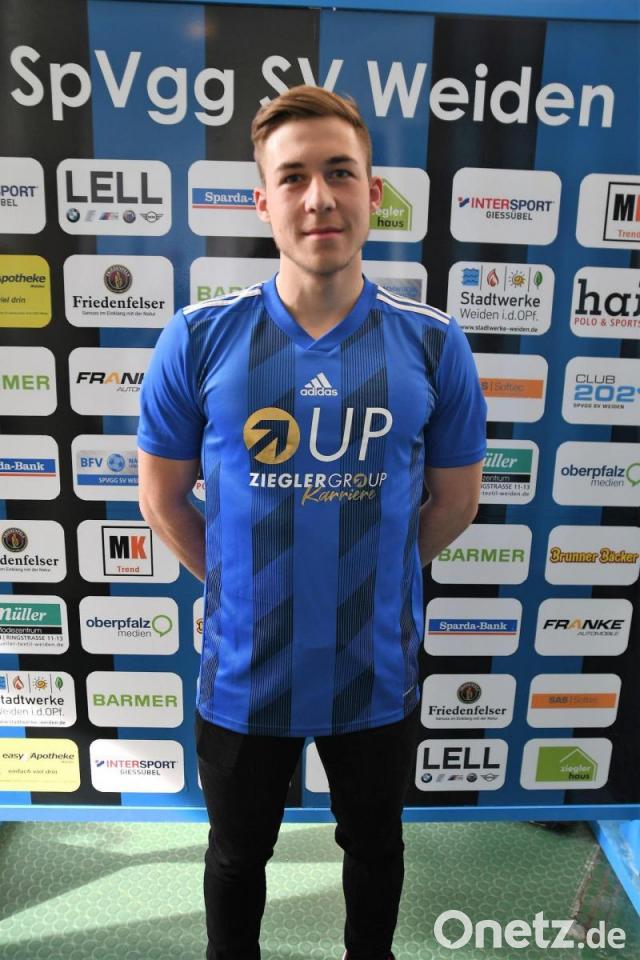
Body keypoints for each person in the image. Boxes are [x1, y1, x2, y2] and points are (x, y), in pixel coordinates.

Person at [137, 85, 487, 960]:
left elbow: (455, 501)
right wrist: (247, 583)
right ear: (263, 200)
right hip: (243, 672)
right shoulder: (199, 338)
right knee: (235, 856)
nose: (318, 197)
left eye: (340, 172)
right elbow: (162, 499)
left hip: (373, 670)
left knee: (375, 849)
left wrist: (371, 573)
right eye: (293, 177)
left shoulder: (435, 343)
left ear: (374, 192)